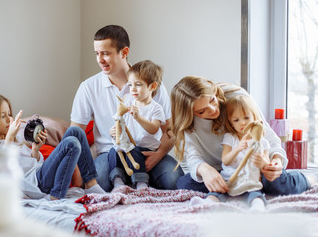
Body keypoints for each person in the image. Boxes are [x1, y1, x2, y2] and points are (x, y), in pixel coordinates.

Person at [70, 25, 183, 191]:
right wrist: (78, 171)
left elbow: (170, 130)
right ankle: (132, 180)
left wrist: (157, 156)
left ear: (124, 52)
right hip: (111, 153)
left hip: (148, 151)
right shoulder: (88, 87)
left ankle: (140, 180)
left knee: (174, 181)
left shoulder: (151, 84)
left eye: (106, 53)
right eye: (97, 53)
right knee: (100, 182)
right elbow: (75, 133)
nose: (99, 59)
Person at [171, 76, 317, 196]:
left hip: (255, 167)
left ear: (213, 92)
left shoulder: (236, 98)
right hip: (225, 171)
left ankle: (306, 179)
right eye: (202, 111)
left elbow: (269, 139)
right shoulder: (188, 124)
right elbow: (193, 157)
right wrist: (205, 170)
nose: (213, 109)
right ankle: (243, 187)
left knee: (276, 183)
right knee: (184, 184)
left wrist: (276, 162)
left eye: (212, 100)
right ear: (190, 114)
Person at [0, 92, 106, 200]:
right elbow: (1, 171)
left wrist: (35, 150)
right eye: (3, 116)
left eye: (9, 114)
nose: (9, 119)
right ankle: (56, 195)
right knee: (72, 144)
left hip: (41, 173)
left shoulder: (16, 138)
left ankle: (90, 183)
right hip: (34, 184)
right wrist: (8, 139)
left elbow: (33, 162)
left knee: (75, 132)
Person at [201, 95, 270, 212]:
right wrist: (237, 148)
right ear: (230, 122)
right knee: (216, 192)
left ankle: (257, 207)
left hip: (249, 179)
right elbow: (226, 160)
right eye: (236, 120)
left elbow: (267, 163)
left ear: (254, 117)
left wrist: (263, 163)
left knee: (256, 192)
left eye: (247, 118)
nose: (242, 123)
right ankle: (207, 204)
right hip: (230, 178)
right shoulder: (230, 137)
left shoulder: (261, 141)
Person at [108, 60, 166, 190]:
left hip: (146, 150)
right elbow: (120, 122)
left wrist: (138, 118)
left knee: (132, 150)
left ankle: (141, 182)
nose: (132, 89)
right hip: (128, 146)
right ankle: (118, 181)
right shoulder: (128, 101)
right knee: (113, 151)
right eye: (130, 85)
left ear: (152, 86)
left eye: (138, 85)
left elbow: (154, 129)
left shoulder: (156, 108)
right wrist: (114, 131)